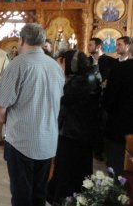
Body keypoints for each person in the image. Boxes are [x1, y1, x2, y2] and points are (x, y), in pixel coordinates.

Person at [0, 23, 64, 206]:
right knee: (39, 191)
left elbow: (0, 105)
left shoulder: (19, 64)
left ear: (21, 40)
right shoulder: (55, 66)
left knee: (21, 193)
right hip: (48, 141)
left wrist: (6, 121)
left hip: (21, 142)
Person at [47, 50, 101, 204]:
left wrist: (59, 75)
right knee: (74, 168)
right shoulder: (87, 77)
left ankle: (64, 198)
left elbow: (61, 99)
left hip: (73, 133)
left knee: (67, 169)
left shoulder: (80, 82)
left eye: (63, 62)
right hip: (80, 133)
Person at [103, 43, 133, 175]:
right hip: (120, 126)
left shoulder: (120, 69)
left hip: (119, 128)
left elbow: (108, 100)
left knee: (117, 171)